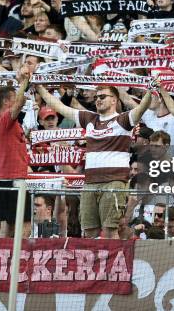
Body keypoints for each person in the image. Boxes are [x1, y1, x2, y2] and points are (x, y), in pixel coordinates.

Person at [36, 83, 153, 238]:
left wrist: (152, 89)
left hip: (114, 182)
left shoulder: (123, 120)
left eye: (103, 96)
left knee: (111, 230)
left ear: (114, 100)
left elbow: (141, 108)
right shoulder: (89, 118)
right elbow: (59, 106)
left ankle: (114, 262)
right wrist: (39, 88)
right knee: (89, 231)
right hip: (90, 182)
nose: (98, 100)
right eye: (96, 97)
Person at [0, 66, 32, 237]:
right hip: (14, 180)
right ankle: (19, 261)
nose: (19, 99)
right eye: (14, 98)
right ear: (7, 102)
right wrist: (23, 81)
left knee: (8, 227)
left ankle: (3, 261)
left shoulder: (4, 123)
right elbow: (20, 103)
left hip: (6, 179)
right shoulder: (4, 119)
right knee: (25, 226)